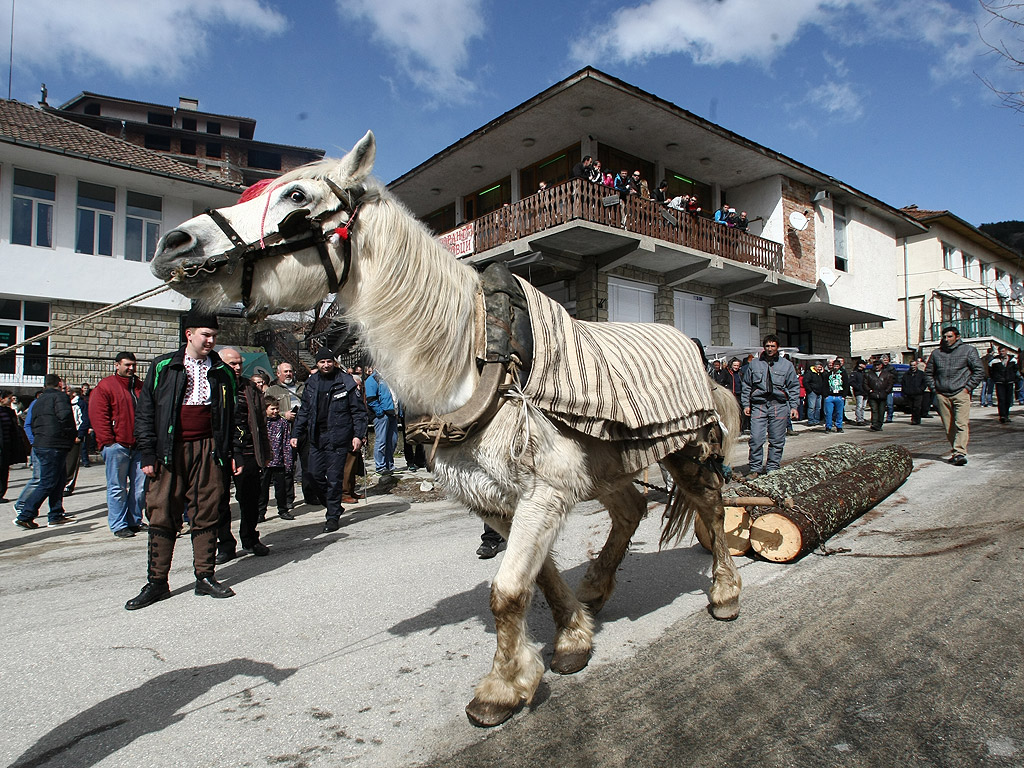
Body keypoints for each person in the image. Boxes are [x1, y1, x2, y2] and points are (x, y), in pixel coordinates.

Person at [125, 311, 237, 610]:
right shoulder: (164, 366)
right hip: (169, 449)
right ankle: (157, 582)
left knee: (207, 508)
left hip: (209, 448)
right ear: (189, 334)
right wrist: (147, 452)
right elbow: (146, 411)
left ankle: (205, 576)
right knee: (162, 510)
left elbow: (231, 416)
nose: (211, 341)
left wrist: (232, 451)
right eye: (205, 335)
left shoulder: (223, 372)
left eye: (214, 336)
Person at [291, 348, 367, 532]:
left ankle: (332, 517)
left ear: (334, 362)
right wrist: (295, 433)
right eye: (322, 362)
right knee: (313, 475)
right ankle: (334, 505)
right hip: (316, 437)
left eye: (328, 361)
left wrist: (358, 435)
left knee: (334, 479)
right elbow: (304, 410)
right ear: (317, 364)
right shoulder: (312, 382)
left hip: (339, 437)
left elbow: (359, 412)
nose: (326, 365)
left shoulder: (346, 382)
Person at [216, 347, 271, 564]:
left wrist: (265, 451)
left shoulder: (250, 388)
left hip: (248, 451)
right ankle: (226, 545)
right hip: (221, 452)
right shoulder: (214, 385)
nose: (238, 367)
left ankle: (250, 538)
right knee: (220, 501)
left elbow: (261, 423)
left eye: (239, 363)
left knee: (249, 498)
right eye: (232, 364)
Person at [90, 351, 147, 538]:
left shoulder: (140, 386)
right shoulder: (106, 386)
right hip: (117, 445)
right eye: (127, 365)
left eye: (133, 365)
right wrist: (108, 441)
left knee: (140, 488)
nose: (130, 368)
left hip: (138, 446)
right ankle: (118, 524)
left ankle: (135, 520)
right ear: (117, 365)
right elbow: (99, 415)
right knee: (117, 487)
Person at [13, 374, 76, 529]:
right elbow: (65, 418)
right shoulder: (59, 397)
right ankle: (25, 514)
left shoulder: (38, 400)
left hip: (42, 443)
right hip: (54, 444)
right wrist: (71, 436)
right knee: (48, 482)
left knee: (59, 480)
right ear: (60, 383)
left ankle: (56, 514)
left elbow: (31, 421)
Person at [742, 335, 800, 476]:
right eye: (767, 346)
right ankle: (755, 468)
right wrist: (746, 404)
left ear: (777, 347)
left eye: (772, 346)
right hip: (759, 405)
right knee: (756, 438)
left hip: (779, 405)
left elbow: (793, 386)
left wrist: (793, 406)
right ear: (764, 347)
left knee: (777, 439)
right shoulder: (754, 364)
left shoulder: (786, 365)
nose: (770, 349)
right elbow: (746, 385)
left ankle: (772, 468)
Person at [925, 327, 984, 465]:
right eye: (944, 337)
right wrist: (935, 389)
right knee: (949, 426)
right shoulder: (936, 353)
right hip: (942, 394)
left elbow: (979, 371)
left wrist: (967, 388)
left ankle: (959, 452)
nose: (946, 339)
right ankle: (955, 449)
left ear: (957, 337)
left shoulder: (968, 350)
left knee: (961, 424)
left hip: (960, 392)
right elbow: (928, 373)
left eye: (950, 336)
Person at [267, 362, 312, 507]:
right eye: (285, 372)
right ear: (278, 374)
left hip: (304, 429)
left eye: (290, 371)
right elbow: (264, 410)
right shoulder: (272, 390)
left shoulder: (302, 387)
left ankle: (310, 495)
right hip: (284, 431)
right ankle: (287, 499)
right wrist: (282, 414)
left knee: (308, 465)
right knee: (287, 466)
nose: (288, 374)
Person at [261, 396, 295, 520]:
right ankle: (260, 512)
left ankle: (283, 509)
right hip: (265, 461)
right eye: (272, 409)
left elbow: (286, 442)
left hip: (279, 460)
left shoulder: (283, 423)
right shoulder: (262, 423)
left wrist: (288, 460)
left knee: (281, 489)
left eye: (277, 409)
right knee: (263, 489)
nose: (275, 412)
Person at [364, 367, 398, 475]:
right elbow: (371, 399)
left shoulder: (391, 378)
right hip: (381, 415)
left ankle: (389, 465)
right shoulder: (372, 379)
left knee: (392, 441)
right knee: (381, 441)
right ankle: (380, 466)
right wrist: (380, 412)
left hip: (393, 414)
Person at [0, 390, 29, 503]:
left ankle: (1, 493)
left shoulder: (9, 412)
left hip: (7, 445)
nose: (11, 400)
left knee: (4, 470)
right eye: (8, 398)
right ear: (2, 399)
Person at [62, 387, 89, 495]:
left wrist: (80, 434)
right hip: (64, 436)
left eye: (67, 391)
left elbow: (85, 419)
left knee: (72, 462)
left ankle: (68, 484)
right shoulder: (63, 403)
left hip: (76, 435)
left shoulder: (80, 404)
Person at [863, 357, 895, 432]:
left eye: (878, 365)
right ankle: (874, 424)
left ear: (881, 365)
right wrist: (869, 390)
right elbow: (865, 384)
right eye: (875, 365)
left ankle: (879, 424)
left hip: (883, 395)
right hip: (873, 394)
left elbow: (890, 384)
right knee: (874, 409)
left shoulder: (887, 374)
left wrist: (886, 391)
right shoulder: (869, 374)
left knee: (881, 410)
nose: (877, 367)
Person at [987, 345, 1017, 423]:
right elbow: (990, 371)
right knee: (1001, 399)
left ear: (1006, 351)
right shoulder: (995, 361)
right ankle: (1002, 416)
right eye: (1000, 351)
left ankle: (1006, 415)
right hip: (1000, 382)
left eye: (1003, 351)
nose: (1002, 353)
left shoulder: (1013, 360)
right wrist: (995, 378)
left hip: (1009, 382)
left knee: (1008, 399)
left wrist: (1013, 378)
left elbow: (1015, 370)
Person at [823, 358, 850, 433]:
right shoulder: (828, 374)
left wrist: (844, 396)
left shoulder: (843, 374)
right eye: (834, 366)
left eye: (837, 366)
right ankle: (828, 427)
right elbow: (824, 385)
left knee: (839, 413)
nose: (835, 367)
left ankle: (839, 427)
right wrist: (826, 395)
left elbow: (846, 385)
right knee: (829, 413)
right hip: (830, 396)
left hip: (839, 396)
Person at [901, 359, 929, 425]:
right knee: (911, 407)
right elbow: (903, 383)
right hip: (909, 393)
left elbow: (924, 383)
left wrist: (921, 389)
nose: (913, 367)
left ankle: (916, 420)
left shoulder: (921, 374)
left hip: (918, 393)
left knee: (917, 407)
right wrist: (905, 391)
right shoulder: (906, 374)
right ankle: (913, 418)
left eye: (914, 365)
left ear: (916, 365)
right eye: (911, 365)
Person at [850, 360, 868, 426]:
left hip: (865, 391)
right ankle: (859, 419)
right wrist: (858, 387)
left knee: (863, 406)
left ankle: (862, 418)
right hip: (859, 392)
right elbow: (851, 382)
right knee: (859, 406)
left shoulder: (865, 372)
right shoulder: (855, 373)